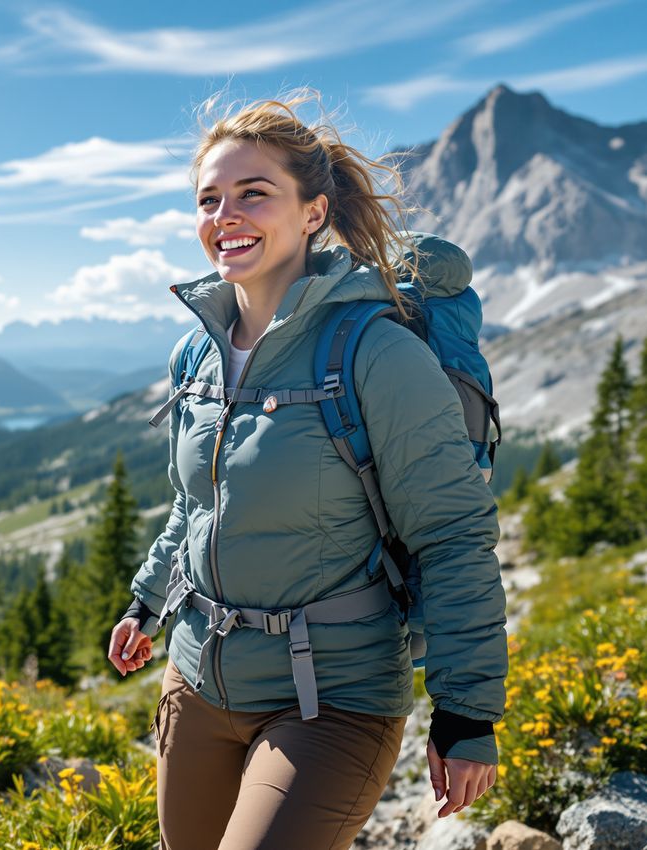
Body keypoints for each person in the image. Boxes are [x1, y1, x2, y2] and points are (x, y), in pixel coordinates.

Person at [106, 89, 508, 850]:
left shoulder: (376, 352)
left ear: (313, 213)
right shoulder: (196, 353)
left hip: (333, 698)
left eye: (254, 194)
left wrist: (466, 711)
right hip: (197, 679)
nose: (225, 214)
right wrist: (145, 603)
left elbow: (453, 533)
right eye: (210, 198)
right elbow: (195, 505)